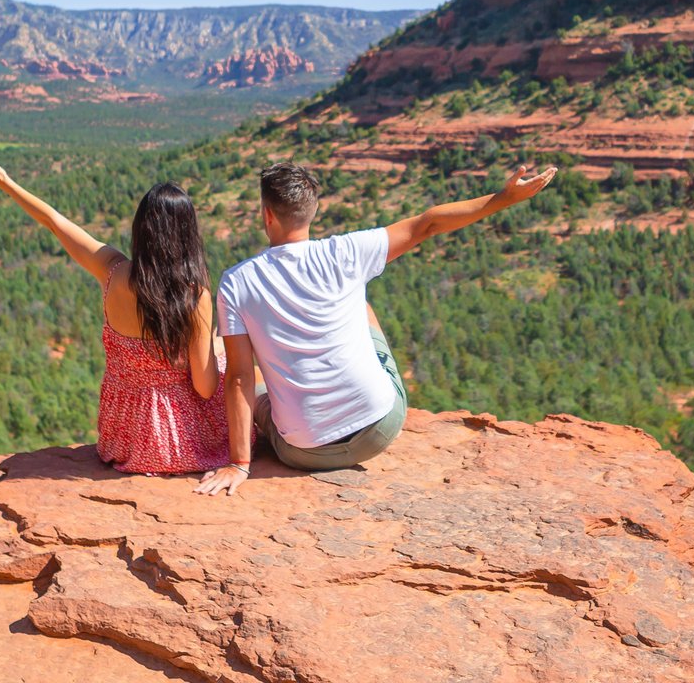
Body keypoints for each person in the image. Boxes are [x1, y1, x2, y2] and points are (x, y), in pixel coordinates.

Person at [194, 160, 558, 496]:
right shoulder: (350, 251)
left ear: (267, 215)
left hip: (302, 451)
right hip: (379, 428)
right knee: (361, 304)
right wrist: (504, 198)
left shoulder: (236, 282)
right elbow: (427, 223)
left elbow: (239, 378)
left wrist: (239, 464)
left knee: (256, 388)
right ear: (312, 211)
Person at [0, 151, 235, 475]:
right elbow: (204, 388)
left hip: (121, 439)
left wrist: (5, 183)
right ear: (188, 234)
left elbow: (55, 222)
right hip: (176, 443)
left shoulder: (113, 270)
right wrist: (219, 346)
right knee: (230, 361)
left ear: (141, 229)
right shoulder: (193, 295)